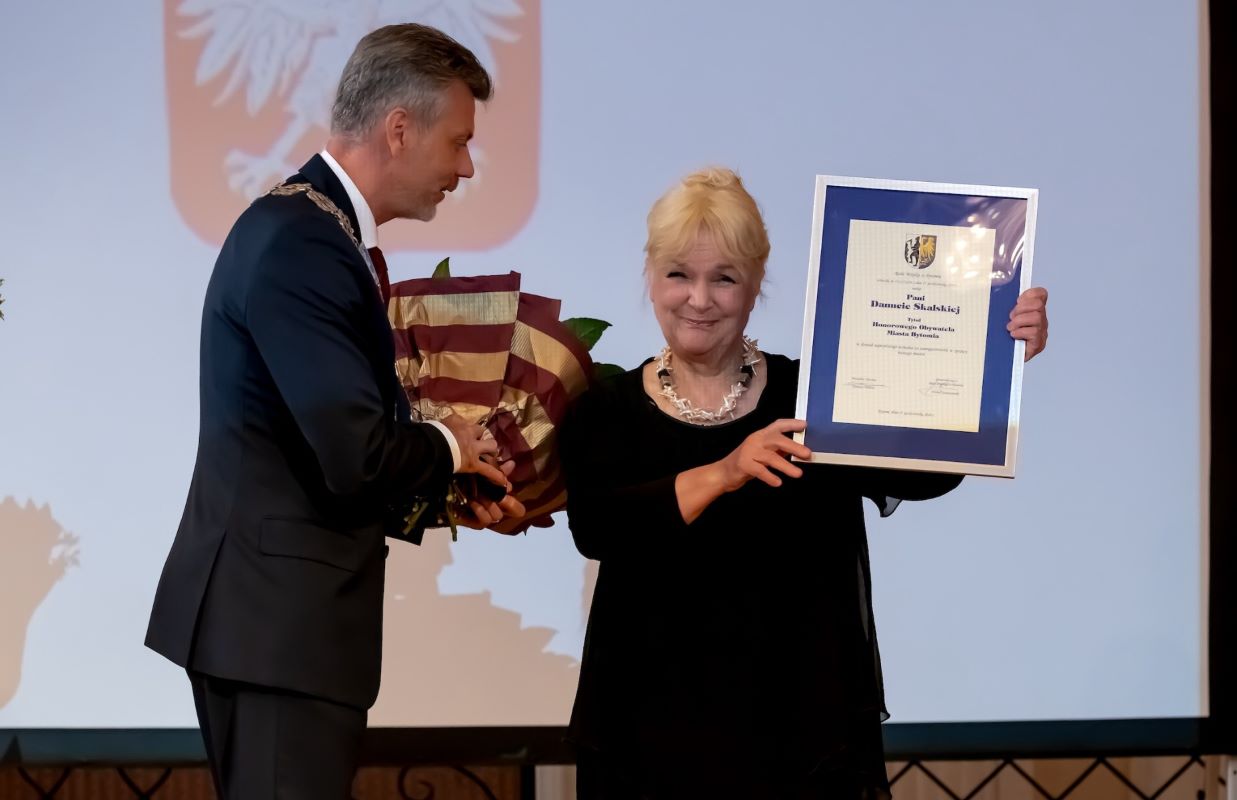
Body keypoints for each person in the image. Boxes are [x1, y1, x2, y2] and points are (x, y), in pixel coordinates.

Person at [561, 167, 1049, 798]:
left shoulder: (815, 399)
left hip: (799, 743)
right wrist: (726, 471)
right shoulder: (606, 410)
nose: (699, 300)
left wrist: (991, 361)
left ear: (756, 283)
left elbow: (923, 474)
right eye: (679, 274)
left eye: (724, 278)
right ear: (650, 276)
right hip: (648, 739)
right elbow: (600, 527)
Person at [145, 24, 521, 799]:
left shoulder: (308, 230)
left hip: (273, 631)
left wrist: (446, 490)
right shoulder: (304, 244)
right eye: (457, 141)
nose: (464, 167)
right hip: (276, 634)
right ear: (398, 128)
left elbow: (311, 453)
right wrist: (451, 446)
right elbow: (355, 454)